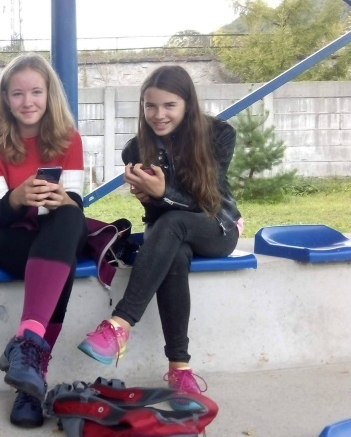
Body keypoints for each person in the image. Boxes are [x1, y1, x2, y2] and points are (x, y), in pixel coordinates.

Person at [78, 65, 242, 410]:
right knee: (174, 253)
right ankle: (180, 370)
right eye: (150, 105)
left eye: (169, 105)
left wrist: (164, 192)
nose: (158, 114)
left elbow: (209, 201)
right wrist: (150, 198)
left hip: (216, 226)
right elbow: (158, 214)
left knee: (174, 225)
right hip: (168, 232)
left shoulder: (219, 134)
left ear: (187, 104)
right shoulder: (135, 150)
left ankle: (120, 324)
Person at [0, 53, 86, 428]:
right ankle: (32, 376)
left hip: (53, 231)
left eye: (36, 92)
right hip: (6, 235)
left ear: (49, 94)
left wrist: (59, 199)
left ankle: (27, 357)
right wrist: (19, 197)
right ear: (6, 99)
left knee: (69, 216)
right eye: (18, 93)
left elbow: (74, 203)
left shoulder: (69, 139)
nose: (28, 101)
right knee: (62, 260)